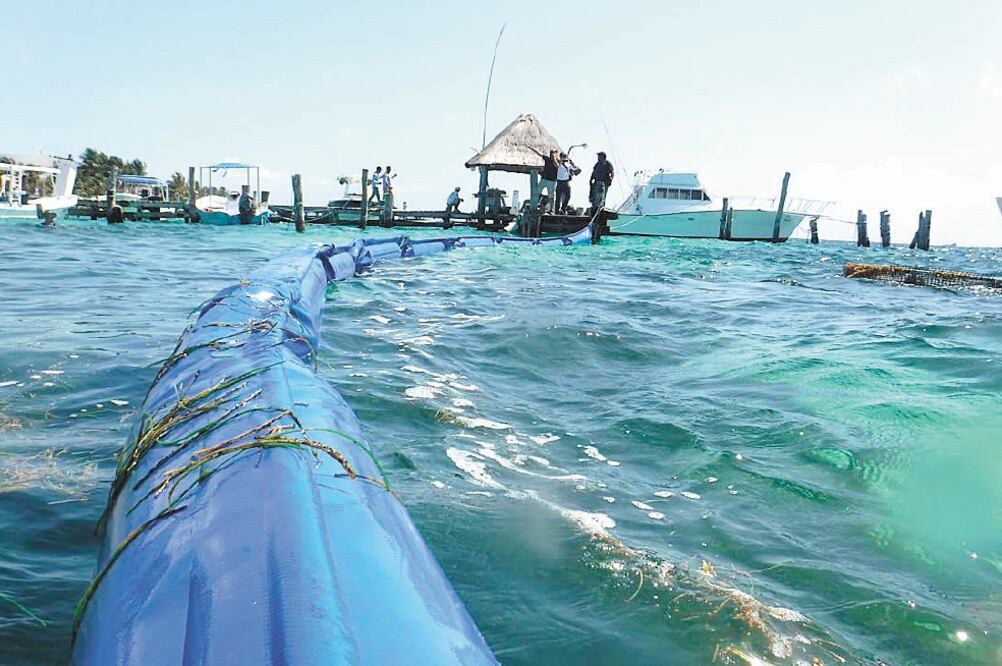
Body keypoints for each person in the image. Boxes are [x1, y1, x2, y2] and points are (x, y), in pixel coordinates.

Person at [529, 147, 559, 212]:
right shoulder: (547, 159)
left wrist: (555, 159)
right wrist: (532, 149)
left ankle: (551, 209)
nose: (552, 155)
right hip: (544, 179)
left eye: (553, 153)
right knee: (537, 192)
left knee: (551, 196)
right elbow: (539, 154)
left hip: (552, 181)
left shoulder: (558, 162)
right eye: (551, 153)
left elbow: (557, 166)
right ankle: (536, 204)